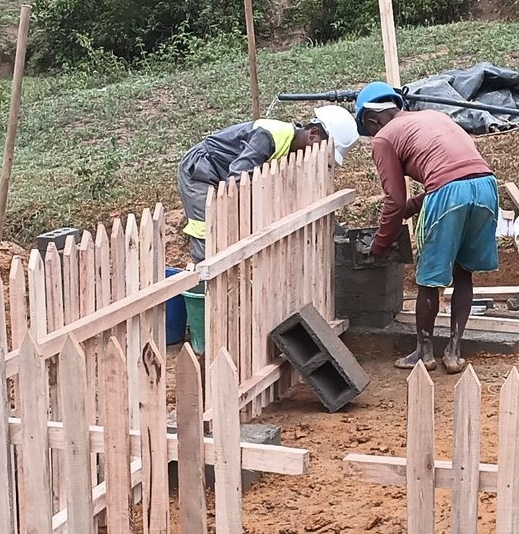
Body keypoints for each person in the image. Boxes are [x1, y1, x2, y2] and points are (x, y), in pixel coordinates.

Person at [355, 82, 501, 371]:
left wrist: (380, 245)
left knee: (429, 279)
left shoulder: (384, 137)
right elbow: (458, 170)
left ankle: (424, 351)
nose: (372, 135)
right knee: (463, 273)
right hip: (486, 186)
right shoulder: (435, 116)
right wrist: (414, 206)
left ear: (371, 120)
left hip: (448, 193)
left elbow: (394, 200)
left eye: (369, 129)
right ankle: (454, 352)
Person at [177, 106, 357, 261]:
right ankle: (202, 284)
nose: (323, 157)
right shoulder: (270, 136)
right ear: (314, 134)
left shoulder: (292, 149)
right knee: (206, 230)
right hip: (201, 169)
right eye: (325, 149)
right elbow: (238, 177)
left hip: (222, 171)